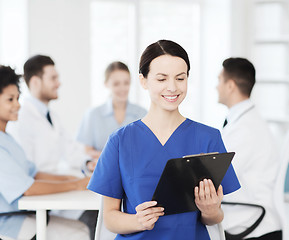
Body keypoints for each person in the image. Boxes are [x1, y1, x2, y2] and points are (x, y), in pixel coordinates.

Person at [87, 40, 241, 240]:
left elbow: (215, 217)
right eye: (161, 79)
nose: (172, 87)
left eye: (180, 78)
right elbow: (109, 217)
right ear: (143, 81)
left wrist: (210, 211)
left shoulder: (208, 138)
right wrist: (137, 221)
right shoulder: (120, 141)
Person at [0, 64, 90, 240]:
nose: (17, 105)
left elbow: (34, 174)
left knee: (80, 228)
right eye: (10, 100)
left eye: (17, 98)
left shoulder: (4, 138)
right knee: (79, 232)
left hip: (13, 217)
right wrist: (76, 185)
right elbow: (28, 189)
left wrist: (72, 179)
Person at [217, 57, 282, 239]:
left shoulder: (245, 129)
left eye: (219, 80)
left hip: (252, 223)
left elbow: (218, 176)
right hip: (252, 214)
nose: (216, 87)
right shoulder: (246, 121)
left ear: (230, 86)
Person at [7, 55, 89, 174]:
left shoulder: (52, 117)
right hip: (40, 187)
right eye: (53, 78)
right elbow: (26, 170)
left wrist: (87, 163)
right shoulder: (20, 118)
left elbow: (70, 151)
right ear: (35, 82)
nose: (58, 83)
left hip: (53, 183)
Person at [76, 61, 146, 170]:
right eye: (116, 84)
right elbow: (86, 151)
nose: (122, 88)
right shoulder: (93, 115)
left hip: (134, 172)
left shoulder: (142, 114)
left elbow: (145, 150)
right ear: (106, 84)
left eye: (126, 83)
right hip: (103, 171)